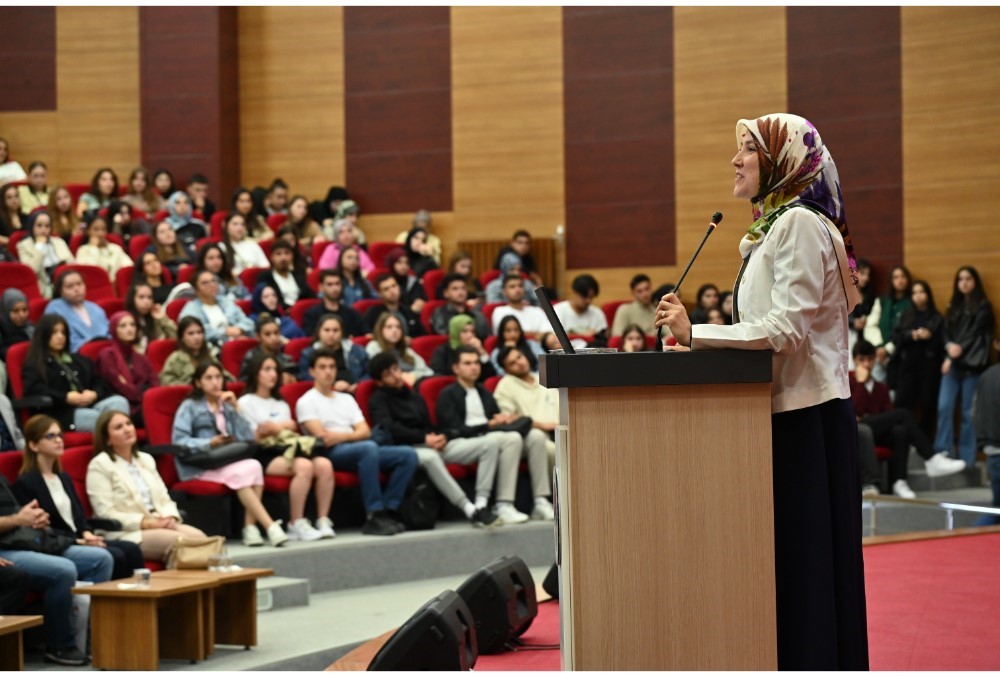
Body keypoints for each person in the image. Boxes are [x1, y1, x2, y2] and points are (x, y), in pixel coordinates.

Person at [654, 113, 868, 669]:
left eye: (747, 149)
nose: (736, 159)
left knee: (806, 566)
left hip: (806, 420)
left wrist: (695, 332)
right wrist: (701, 347)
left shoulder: (798, 223)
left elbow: (787, 331)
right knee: (797, 567)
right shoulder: (777, 226)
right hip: (786, 413)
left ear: (781, 160)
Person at [368, 352, 500, 528]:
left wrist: (441, 437)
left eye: (396, 369)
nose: (395, 375)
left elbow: (428, 424)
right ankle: (469, 509)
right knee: (430, 458)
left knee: (490, 444)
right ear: (379, 381)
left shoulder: (413, 395)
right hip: (406, 448)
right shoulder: (378, 400)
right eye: (388, 374)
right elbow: (390, 429)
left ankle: (482, 503)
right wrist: (424, 438)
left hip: (431, 443)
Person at [296, 348, 418, 536]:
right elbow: (324, 437)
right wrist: (351, 436)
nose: (328, 371)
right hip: (329, 453)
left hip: (357, 447)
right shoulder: (306, 401)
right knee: (368, 448)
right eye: (322, 367)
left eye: (331, 367)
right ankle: (373, 514)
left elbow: (365, 430)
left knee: (407, 455)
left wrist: (344, 436)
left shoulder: (346, 399)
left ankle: (388, 509)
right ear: (312, 371)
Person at [1, 471, 112, 666]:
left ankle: (88, 638)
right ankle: (59, 645)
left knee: (100, 558)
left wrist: (35, 519)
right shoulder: (25, 479)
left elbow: (16, 513)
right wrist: (19, 520)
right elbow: (15, 519)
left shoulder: (2, 478)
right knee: (63, 569)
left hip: (26, 539)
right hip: (7, 548)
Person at [14, 414, 144, 580]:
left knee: (130, 549)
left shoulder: (63, 477)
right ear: (33, 445)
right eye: (50, 436)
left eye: (60, 435)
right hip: (58, 544)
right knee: (115, 555)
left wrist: (87, 534)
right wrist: (78, 541)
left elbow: (79, 517)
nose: (58, 440)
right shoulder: (26, 483)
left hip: (78, 539)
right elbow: (38, 530)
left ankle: (136, 601)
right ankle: (103, 605)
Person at [172, 362, 288, 546]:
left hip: (225, 460)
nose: (215, 382)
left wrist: (236, 409)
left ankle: (250, 528)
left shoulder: (226, 405)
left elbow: (247, 437)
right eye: (209, 378)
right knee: (242, 473)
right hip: (200, 464)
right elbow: (179, 441)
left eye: (218, 377)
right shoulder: (189, 406)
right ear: (198, 383)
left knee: (255, 465)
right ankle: (270, 525)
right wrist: (209, 442)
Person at [437, 347, 553, 524]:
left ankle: (540, 500)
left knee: (536, 436)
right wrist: (488, 425)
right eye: (467, 363)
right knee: (511, 438)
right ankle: (504, 503)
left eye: (476, 363)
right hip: (463, 442)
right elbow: (453, 429)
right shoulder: (448, 394)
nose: (474, 367)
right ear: (456, 368)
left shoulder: (484, 392)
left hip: (492, 436)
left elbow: (495, 418)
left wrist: (502, 419)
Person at [86, 410, 206, 562]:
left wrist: (170, 517)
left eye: (129, 424)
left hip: (159, 523)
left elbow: (164, 498)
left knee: (202, 539)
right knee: (180, 541)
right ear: (107, 439)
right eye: (118, 427)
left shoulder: (146, 459)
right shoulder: (100, 465)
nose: (127, 429)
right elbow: (105, 513)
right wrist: (146, 523)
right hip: (126, 532)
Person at [850, 340, 965, 498]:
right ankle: (931, 458)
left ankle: (899, 481)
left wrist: (875, 418)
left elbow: (889, 414)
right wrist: (861, 383)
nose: (866, 364)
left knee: (900, 430)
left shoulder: (880, 387)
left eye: (870, 359)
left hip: (876, 429)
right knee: (903, 414)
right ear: (855, 360)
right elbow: (851, 410)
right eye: (862, 360)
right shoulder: (849, 380)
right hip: (856, 429)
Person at [238, 354, 335, 541]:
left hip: (287, 449)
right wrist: (280, 427)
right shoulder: (246, 402)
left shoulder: (280, 403)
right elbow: (252, 437)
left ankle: (323, 519)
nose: (272, 374)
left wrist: (276, 428)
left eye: (275, 370)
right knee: (304, 466)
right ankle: (296, 522)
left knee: (324, 465)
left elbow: (288, 428)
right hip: (263, 454)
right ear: (256, 374)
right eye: (267, 369)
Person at [23, 314, 129, 433]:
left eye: (63, 332)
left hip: (89, 404)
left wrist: (94, 393)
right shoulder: (35, 364)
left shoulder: (79, 360)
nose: (60, 337)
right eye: (54, 333)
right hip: (62, 413)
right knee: (98, 418)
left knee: (119, 401)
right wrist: (65, 398)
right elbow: (35, 390)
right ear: (43, 335)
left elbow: (99, 381)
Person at [933, 265, 995, 467]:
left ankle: (968, 458)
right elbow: (945, 332)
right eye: (960, 279)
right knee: (944, 407)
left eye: (968, 278)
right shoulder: (953, 306)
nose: (964, 282)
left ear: (975, 281)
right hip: (953, 367)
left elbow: (974, 335)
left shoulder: (984, 306)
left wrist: (952, 356)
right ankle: (943, 451)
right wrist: (949, 346)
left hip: (972, 367)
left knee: (969, 413)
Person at [890, 280, 945, 439]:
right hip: (908, 363)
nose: (918, 296)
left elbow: (942, 343)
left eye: (922, 292)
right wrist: (912, 335)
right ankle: (903, 437)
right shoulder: (906, 314)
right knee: (902, 402)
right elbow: (895, 337)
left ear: (928, 294)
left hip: (929, 365)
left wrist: (930, 336)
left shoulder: (936, 317)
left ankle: (924, 440)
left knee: (927, 403)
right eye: (914, 293)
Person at [494, 346, 560, 465]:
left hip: (560, 430)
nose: (519, 363)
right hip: (533, 436)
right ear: (506, 370)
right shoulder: (505, 386)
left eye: (519, 357)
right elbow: (510, 420)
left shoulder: (542, 377)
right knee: (558, 451)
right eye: (512, 363)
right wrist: (542, 425)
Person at [95, 312, 159, 425]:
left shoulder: (141, 357)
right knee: (154, 414)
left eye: (132, 325)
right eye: (123, 326)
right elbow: (120, 387)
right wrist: (143, 393)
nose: (130, 329)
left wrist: (143, 393)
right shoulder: (107, 355)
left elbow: (155, 383)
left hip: (144, 404)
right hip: (122, 408)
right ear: (114, 329)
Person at [863, 265, 912, 385]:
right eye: (896, 277)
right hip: (878, 353)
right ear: (891, 280)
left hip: (900, 355)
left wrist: (887, 349)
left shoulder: (911, 303)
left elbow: (906, 330)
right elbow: (870, 326)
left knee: (895, 391)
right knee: (878, 388)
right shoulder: (882, 301)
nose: (900, 280)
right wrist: (880, 347)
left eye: (903, 277)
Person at [178, 269, 255, 346]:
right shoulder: (190, 311)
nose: (212, 285)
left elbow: (247, 322)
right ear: (196, 289)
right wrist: (225, 332)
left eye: (213, 280)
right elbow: (196, 334)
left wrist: (240, 329)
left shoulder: (226, 302)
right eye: (205, 283)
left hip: (237, 342)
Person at [43, 270, 109, 351]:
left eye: (79, 284)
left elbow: (108, 334)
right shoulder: (54, 308)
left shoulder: (96, 308)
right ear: (60, 291)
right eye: (70, 286)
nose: (76, 289)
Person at [297, 313, 369, 387]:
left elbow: (369, 374)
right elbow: (306, 378)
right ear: (319, 332)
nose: (331, 334)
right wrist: (332, 386)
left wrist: (358, 385)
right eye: (327, 330)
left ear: (342, 333)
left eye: (335, 330)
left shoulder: (357, 351)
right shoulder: (308, 354)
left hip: (354, 390)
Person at [159, 316, 233, 386]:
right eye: (191, 334)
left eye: (199, 332)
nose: (196, 337)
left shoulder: (209, 355)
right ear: (182, 337)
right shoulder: (176, 358)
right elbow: (167, 382)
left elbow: (226, 377)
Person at [17, 211, 74, 299]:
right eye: (39, 226)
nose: (43, 230)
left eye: (47, 226)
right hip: (43, 288)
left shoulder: (59, 241)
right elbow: (31, 271)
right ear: (32, 227)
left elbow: (72, 264)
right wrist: (40, 246)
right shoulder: (23, 246)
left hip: (64, 284)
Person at [366, 313, 432, 385]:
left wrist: (413, 375)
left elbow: (428, 371)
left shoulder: (405, 350)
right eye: (389, 327)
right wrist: (401, 376)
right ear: (380, 330)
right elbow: (380, 374)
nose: (394, 330)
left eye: (398, 327)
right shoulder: (374, 347)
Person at [302, 269, 368, 338]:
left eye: (337, 284)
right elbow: (311, 338)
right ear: (321, 287)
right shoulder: (312, 314)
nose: (335, 288)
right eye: (330, 284)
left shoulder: (352, 313)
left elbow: (365, 334)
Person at [973, 363, 1000, 525]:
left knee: (997, 509)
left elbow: (974, 411)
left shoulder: (987, 374)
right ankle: (968, 539)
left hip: (992, 450)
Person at [430, 314, 497, 380]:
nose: (470, 335)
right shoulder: (443, 351)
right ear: (455, 333)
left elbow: (490, 375)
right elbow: (438, 376)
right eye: (465, 331)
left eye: (472, 331)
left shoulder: (475, 350)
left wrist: (482, 352)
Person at [240, 314, 298, 385]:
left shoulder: (286, 359)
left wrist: (292, 379)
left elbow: (299, 377)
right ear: (258, 337)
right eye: (267, 334)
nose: (273, 338)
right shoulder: (251, 357)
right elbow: (244, 383)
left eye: (276, 333)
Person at [255, 240, 315, 307]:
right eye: (278, 254)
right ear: (271, 257)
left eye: (287, 253)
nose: (283, 258)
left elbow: (310, 295)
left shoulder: (298, 274)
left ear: (292, 256)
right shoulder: (265, 277)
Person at [431, 273, 489, 339]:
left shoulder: (476, 314)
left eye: (463, 288)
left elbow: (485, 336)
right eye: (455, 289)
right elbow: (443, 337)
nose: (460, 292)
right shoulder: (440, 313)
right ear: (446, 293)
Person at [553, 274, 607, 342]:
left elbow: (603, 340)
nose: (588, 301)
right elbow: (553, 338)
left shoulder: (597, 313)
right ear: (574, 292)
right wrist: (583, 335)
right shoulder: (557, 310)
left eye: (591, 297)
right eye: (584, 296)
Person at [75, 215, 131, 280]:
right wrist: (93, 248)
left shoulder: (115, 248)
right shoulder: (83, 250)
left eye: (103, 229)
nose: (100, 233)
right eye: (96, 229)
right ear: (88, 231)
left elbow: (128, 266)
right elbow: (90, 272)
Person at [125, 282, 177, 352]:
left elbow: (177, 339)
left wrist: (163, 319)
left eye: (149, 297)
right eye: (141, 297)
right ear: (132, 299)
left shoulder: (156, 318)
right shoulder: (126, 321)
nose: (146, 301)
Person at [163, 191, 207, 259]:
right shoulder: (165, 226)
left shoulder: (199, 225)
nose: (182, 206)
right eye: (177, 203)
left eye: (186, 203)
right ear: (171, 205)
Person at [385, 247, 427, 314]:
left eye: (406, 263)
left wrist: (420, 302)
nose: (404, 266)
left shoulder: (413, 281)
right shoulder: (385, 283)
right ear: (392, 264)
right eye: (399, 262)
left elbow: (421, 298)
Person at [0, 288, 34, 359]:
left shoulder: (32, 327)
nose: (22, 315)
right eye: (16, 311)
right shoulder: (2, 331)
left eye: (24, 310)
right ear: (6, 311)